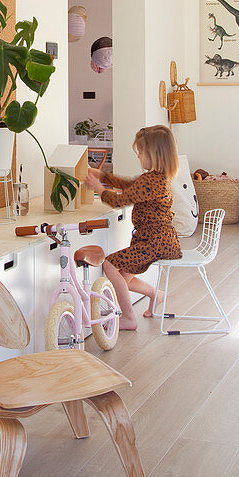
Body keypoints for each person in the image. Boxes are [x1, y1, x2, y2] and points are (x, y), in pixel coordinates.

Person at [85, 124, 181, 330]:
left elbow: (121, 200)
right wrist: (102, 176)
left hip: (154, 242)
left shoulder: (152, 182)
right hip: (158, 240)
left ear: (153, 155)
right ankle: (156, 294)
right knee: (123, 278)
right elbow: (128, 185)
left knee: (109, 265)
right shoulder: (155, 178)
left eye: (141, 153)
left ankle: (128, 317)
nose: (138, 157)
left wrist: (99, 189)